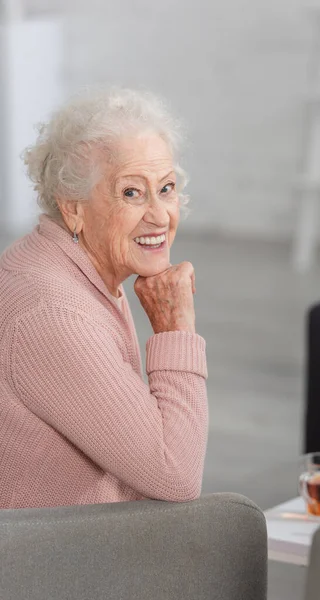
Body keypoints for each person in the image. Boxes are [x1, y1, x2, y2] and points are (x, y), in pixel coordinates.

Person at [0, 87, 208, 509]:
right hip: (45, 564)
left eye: (166, 188)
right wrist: (176, 329)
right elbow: (176, 475)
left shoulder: (63, 264)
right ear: (73, 208)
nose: (159, 215)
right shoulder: (55, 313)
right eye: (132, 193)